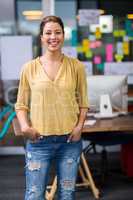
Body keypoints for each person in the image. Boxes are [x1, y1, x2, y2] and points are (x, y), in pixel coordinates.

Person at [15, 15, 89, 200]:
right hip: (39, 142)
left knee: (67, 193)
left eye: (57, 32)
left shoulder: (76, 66)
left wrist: (79, 126)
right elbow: (21, 104)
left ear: (64, 36)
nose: (53, 37)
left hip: (69, 142)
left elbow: (84, 102)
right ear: (41, 37)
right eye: (48, 33)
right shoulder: (29, 68)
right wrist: (25, 127)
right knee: (34, 194)